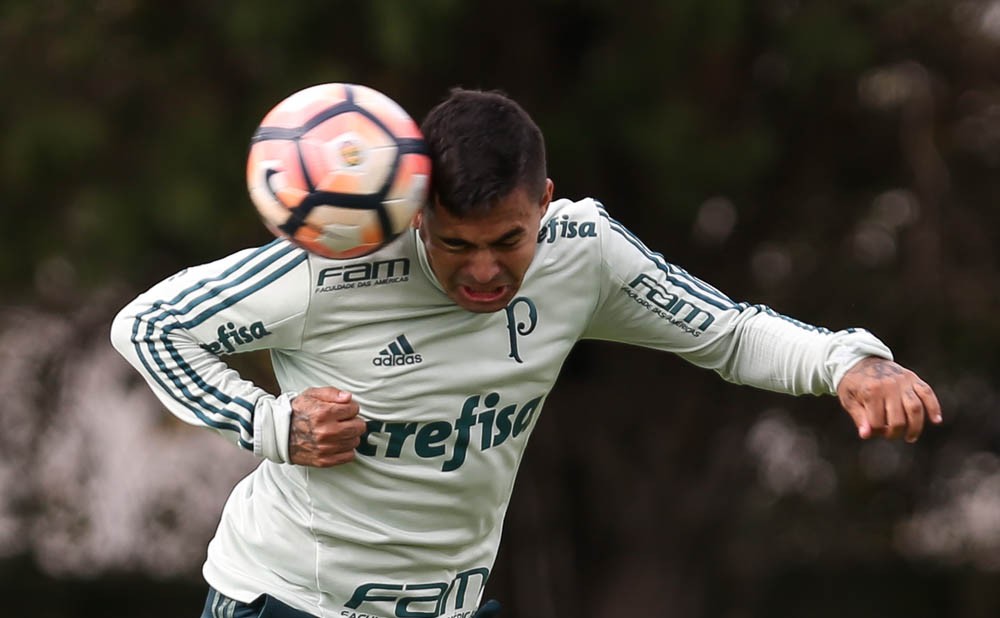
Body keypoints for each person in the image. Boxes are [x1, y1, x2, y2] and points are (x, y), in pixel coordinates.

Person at [110, 87, 942, 618]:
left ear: (544, 202)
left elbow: (728, 332)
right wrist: (272, 423)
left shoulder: (587, 252)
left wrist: (850, 363)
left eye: (508, 241)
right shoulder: (335, 258)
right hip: (290, 601)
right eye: (454, 245)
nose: (482, 271)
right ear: (415, 213)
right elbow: (148, 326)